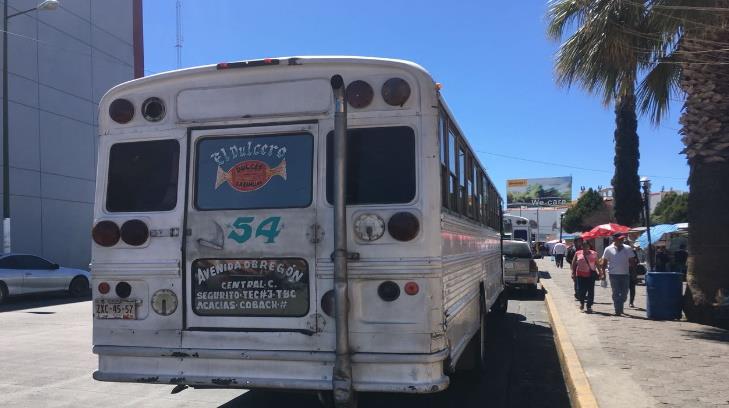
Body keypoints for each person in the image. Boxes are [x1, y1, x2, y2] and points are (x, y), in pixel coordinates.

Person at [600, 233, 637, 315]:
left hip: (625, 274)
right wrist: (603, 274)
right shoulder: (608, 249)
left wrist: (634, 273)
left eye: (622, 239)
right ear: (614, 239)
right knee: (616, 292)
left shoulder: (627, 248)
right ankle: (618, 310)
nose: (621, 240)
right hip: (613, 274)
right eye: (619, 239)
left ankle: (620, 304)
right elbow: (604, 263)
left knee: (624, 293)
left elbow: (632, 261)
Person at [571, 241, 599, 313]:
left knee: (590, 291)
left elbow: (597, 264)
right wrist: (573, 273)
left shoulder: (594, 254)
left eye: (586, 246)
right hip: (580, 275)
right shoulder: (578, 253)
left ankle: (589, 306)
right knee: (581, 290)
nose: (585, 247)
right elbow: (573, 263)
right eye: (583, 246)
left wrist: (601, 272)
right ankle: (582, 303)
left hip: (590, 275)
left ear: (589, 247)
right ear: (581, 247)